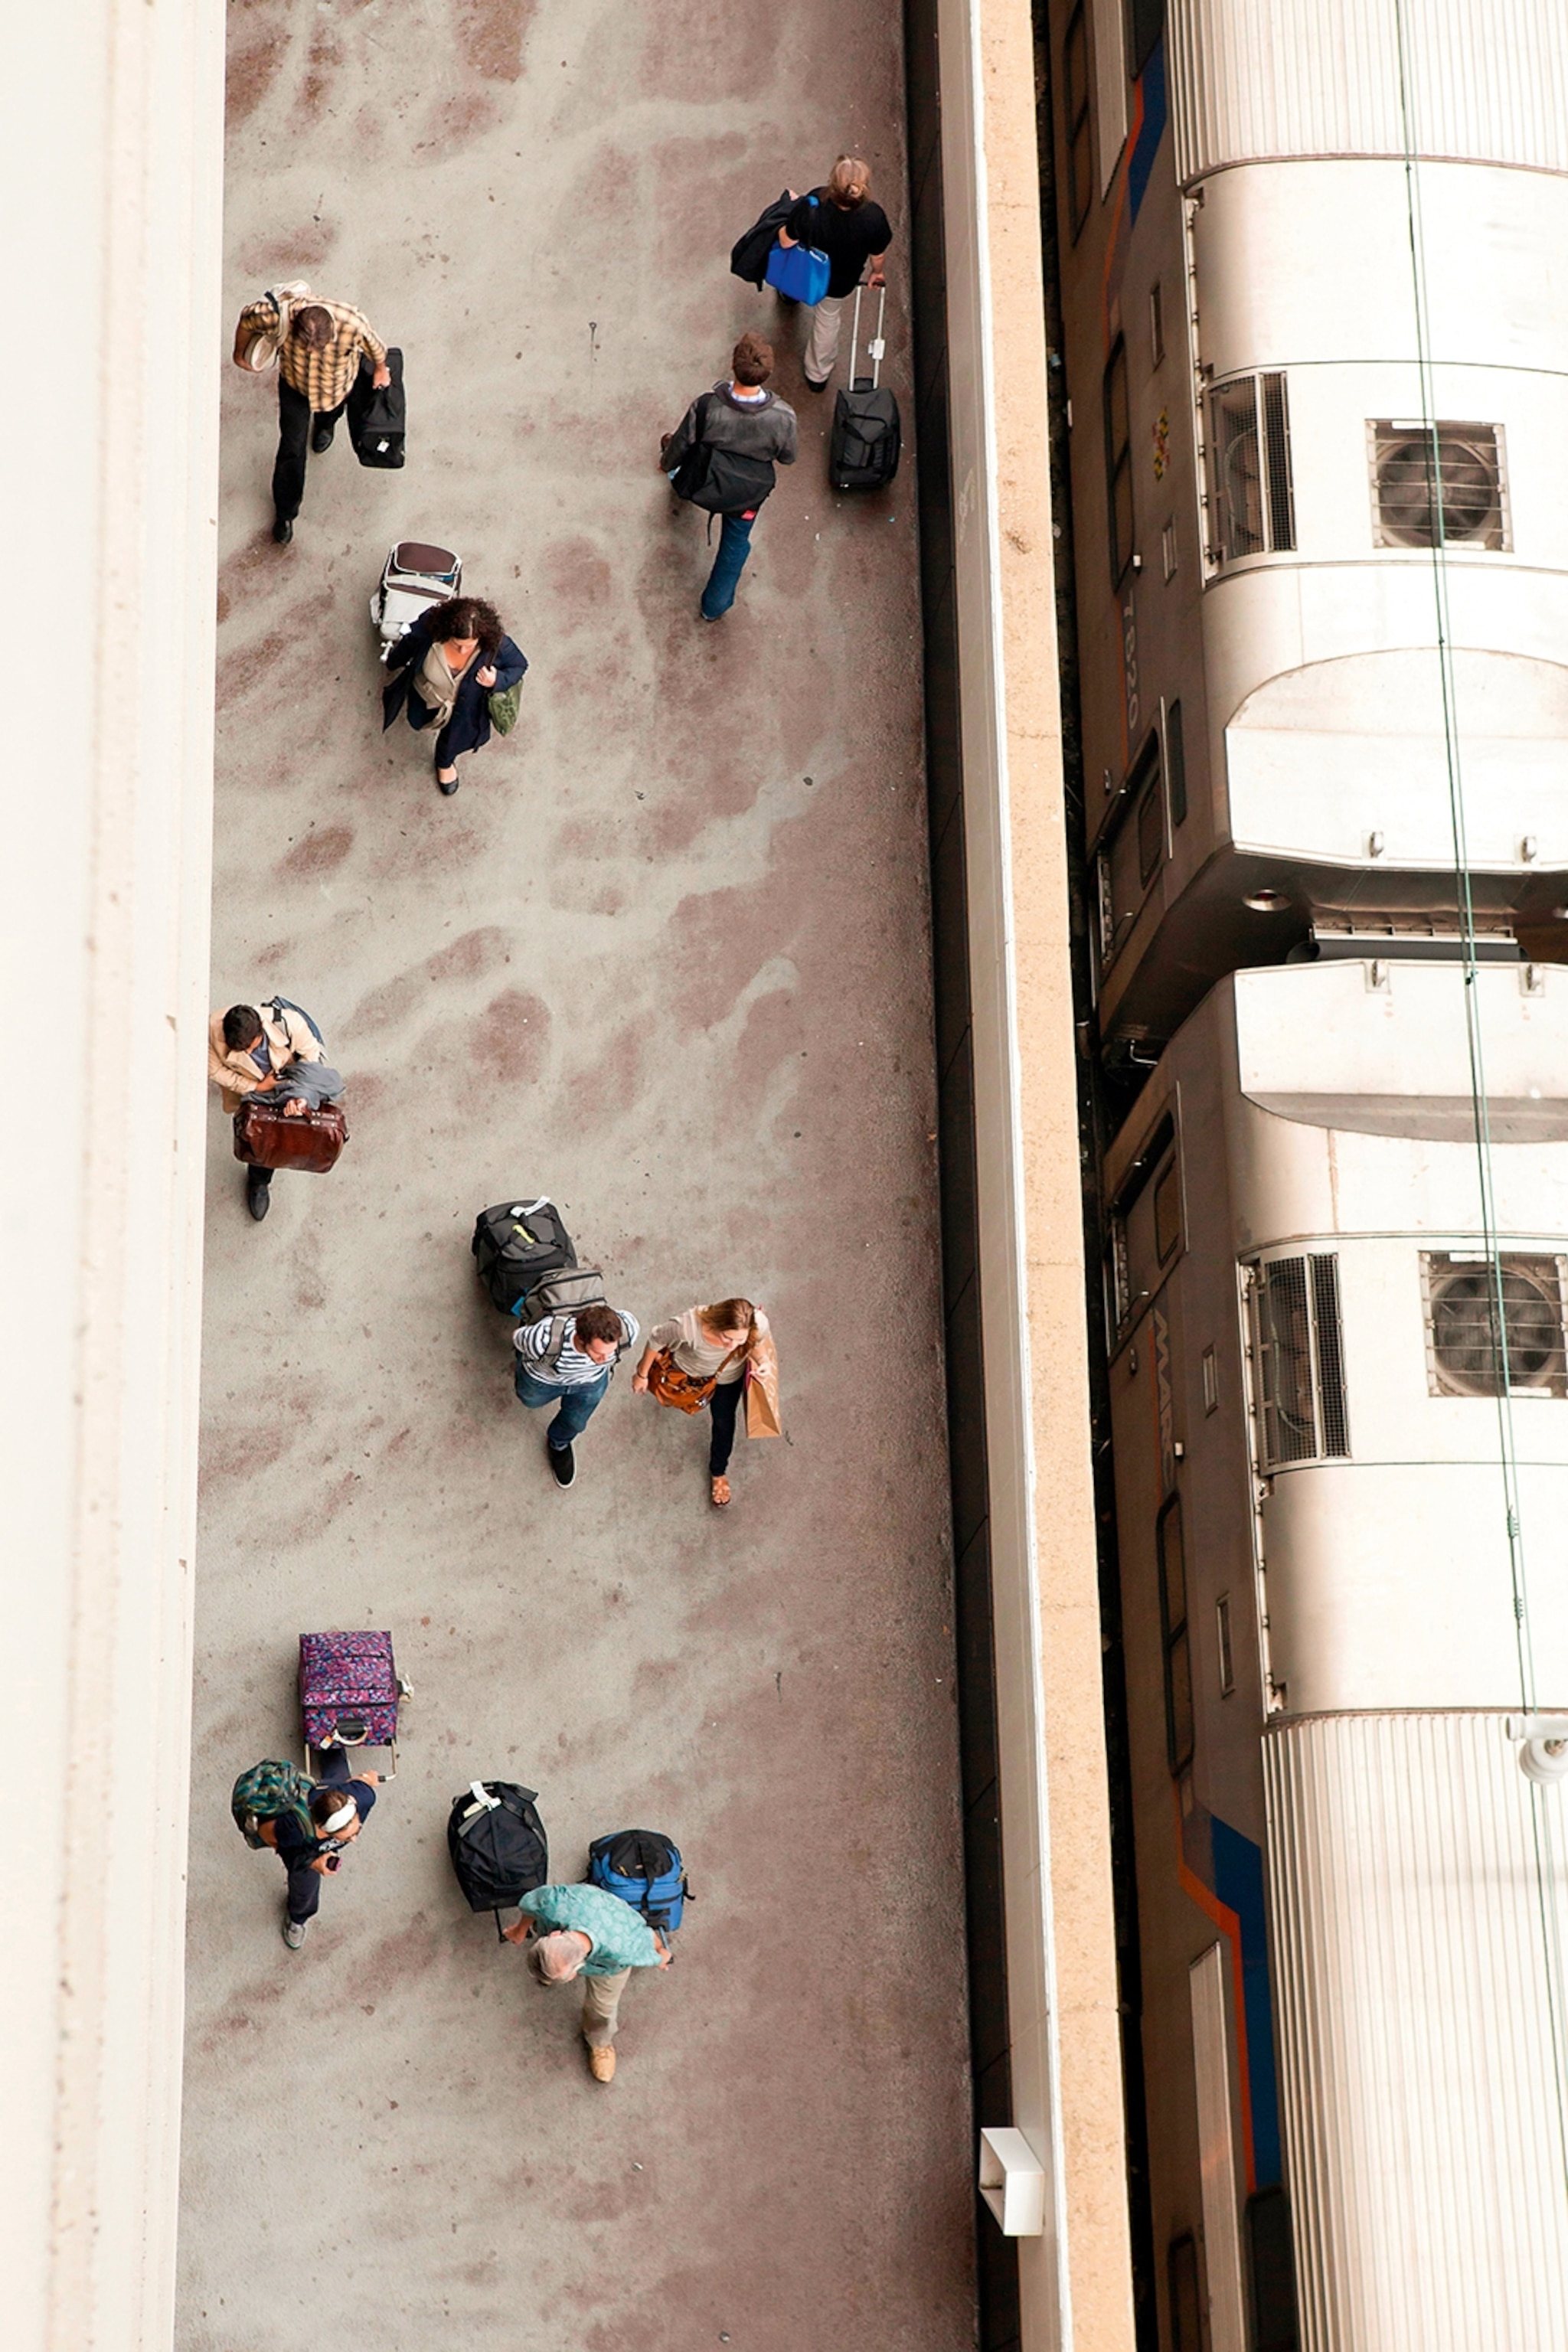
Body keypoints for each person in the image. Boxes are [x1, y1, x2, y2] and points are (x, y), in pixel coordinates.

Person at [230, 295, 391, 544]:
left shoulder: (353, 322)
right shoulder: (277, 314)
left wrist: (381, 370)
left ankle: (325, 426)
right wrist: (240, 354)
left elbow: (377, 348)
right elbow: (247, 318)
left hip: (336, 389)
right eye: (306, 347)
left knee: (331, 415)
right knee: (291, 449)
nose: (312, 353)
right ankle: (286, 512)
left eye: (319, 348)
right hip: (295, 387)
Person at [659, 332, 797, 622]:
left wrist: (667, 463)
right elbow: (787, 457)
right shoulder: (784, 417)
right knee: (734, 547)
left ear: (733, 366)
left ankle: (675, 479)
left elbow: (683, 443)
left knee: (678, 467)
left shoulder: (707, 406)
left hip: (703, 478)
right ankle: (714, 607)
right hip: (747, 496)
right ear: (766, 374)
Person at [504, 1880, 671, 2083]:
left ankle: (600, 2042)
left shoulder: (622, 1949)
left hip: (608, 1967)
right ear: (555, 1935)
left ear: (575, 1973)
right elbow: (532, 1902)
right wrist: (521, 1929)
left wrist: (662, 1956)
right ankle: (552, 1969)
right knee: (552, 1965)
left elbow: (646, 1938)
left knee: (602, 2008)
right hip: (589, 1912)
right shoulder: (554, 1904)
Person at [207, 996, 344, 1222]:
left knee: (292, 1123)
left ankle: (266, 1170)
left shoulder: (291, 1024)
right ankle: (259, 1179)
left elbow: (311, 1064)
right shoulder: (213, 1031)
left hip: (292, 1075)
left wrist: (300, 1098)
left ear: (261, 1031)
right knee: (262, 1133)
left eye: (251, 1048)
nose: (249, 1055)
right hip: (256, 1085)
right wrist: (256, 1086)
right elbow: (215, 1071)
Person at [634, 1297, 776, 1509]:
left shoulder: (758, 1323)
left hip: (728, 1379)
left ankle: (718, 1471)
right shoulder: (687, 1327)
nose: (732, 1347)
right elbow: (656, 1339)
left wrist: (764, 1361)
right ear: (717, 1322)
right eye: (727, 1338)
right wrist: (642, 1374)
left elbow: (756, 1342)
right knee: (675, 1400)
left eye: (739, 1341)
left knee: (724, 1423)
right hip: (687, 1375)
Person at [381, 595, 529, 795]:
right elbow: (410, 644)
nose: (462, 650)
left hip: (468, 709)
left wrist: (497, 680)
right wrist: (394, 662)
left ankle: (445, 762)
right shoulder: (430, 626)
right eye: (457, 643)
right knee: (419, 719)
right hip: (428, 696)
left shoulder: (498, 644)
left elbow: (519, 665)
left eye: (470, 645)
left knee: (454, 740)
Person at [776, 155, 893, 391]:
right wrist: (876, 273)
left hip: (805, 272)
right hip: (839, 282)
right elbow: (877, 254)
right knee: (827, 319)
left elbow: (786, 242)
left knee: (793, 279)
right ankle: (817, 374)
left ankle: (789, 297)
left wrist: (786, 211)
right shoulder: (874, 217)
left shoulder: (815, 203)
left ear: (832, 183)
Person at [259, 1743, 379, 1952]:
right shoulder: (295, 1829)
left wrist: (368, 1779)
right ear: (322, 1830)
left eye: (356, 1830)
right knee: (305, 1889)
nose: (354, 1840)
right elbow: (267, 1836)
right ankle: (297, 1918)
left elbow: (366, 1782)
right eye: (347, 1836)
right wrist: (314, 1861)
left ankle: (328, 1739)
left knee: (339, 1773)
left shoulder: (364, 1796)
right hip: (309, 1852)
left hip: (339, 1790)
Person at [513, 1302, 641, 1489]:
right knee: (530, 1400)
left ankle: (559, 1444)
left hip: (590, 1383)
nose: (604, 1360)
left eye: (611, 1351)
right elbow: (519, 1339)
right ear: (580, 1338)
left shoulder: (628, 1328)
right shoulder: (545, 1337)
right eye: (598, 1353)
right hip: (545, 1380)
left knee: (576, 1423)